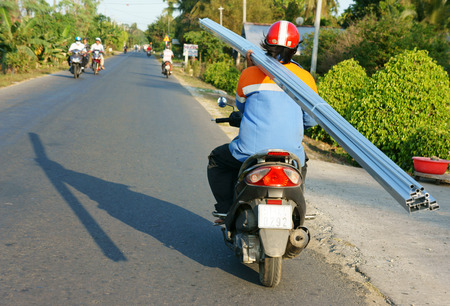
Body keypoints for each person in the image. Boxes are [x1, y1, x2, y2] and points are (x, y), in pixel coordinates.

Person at [207, 21, 319, 224]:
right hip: (289, 155)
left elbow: (242, 109)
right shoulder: (306, 79)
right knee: (302, 163)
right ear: (294, 48)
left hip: (251, 152)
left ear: (266, 44)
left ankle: (226, 210)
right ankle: (297, 210)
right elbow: (310, 121)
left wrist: (250, 69)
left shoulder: (249, 74)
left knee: (217, 159)